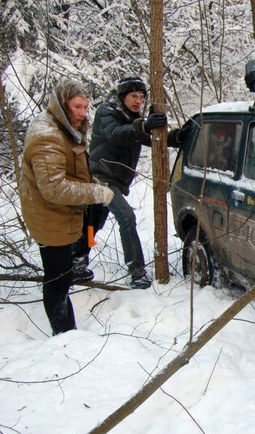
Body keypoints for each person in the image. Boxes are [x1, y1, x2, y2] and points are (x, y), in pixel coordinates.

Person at [19, 78, 114, 335]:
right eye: (77, 107)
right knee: (58, 281)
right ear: (62, 105)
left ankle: (66, 331)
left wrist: (90, 183)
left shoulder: (63, 127)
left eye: (85, 107)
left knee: (63, 274)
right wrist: (95, 192)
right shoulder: (47, 136)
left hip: (63, 214)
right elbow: (53, 188)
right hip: (50, 218)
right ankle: (64, 335)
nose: (83, 113)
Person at [81, 75, 187, 289]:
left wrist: (177, 137)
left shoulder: (131, 117)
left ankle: (77, 261)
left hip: (115, 181)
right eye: (134, 96)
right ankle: (136, 272)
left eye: (141, 97)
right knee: (126, 217)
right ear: (122, 96)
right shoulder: (107, 112)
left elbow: (149, 138)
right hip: (100, 178)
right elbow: (115, 134)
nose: (138, 101)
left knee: (94, 223)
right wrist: (144, 125)